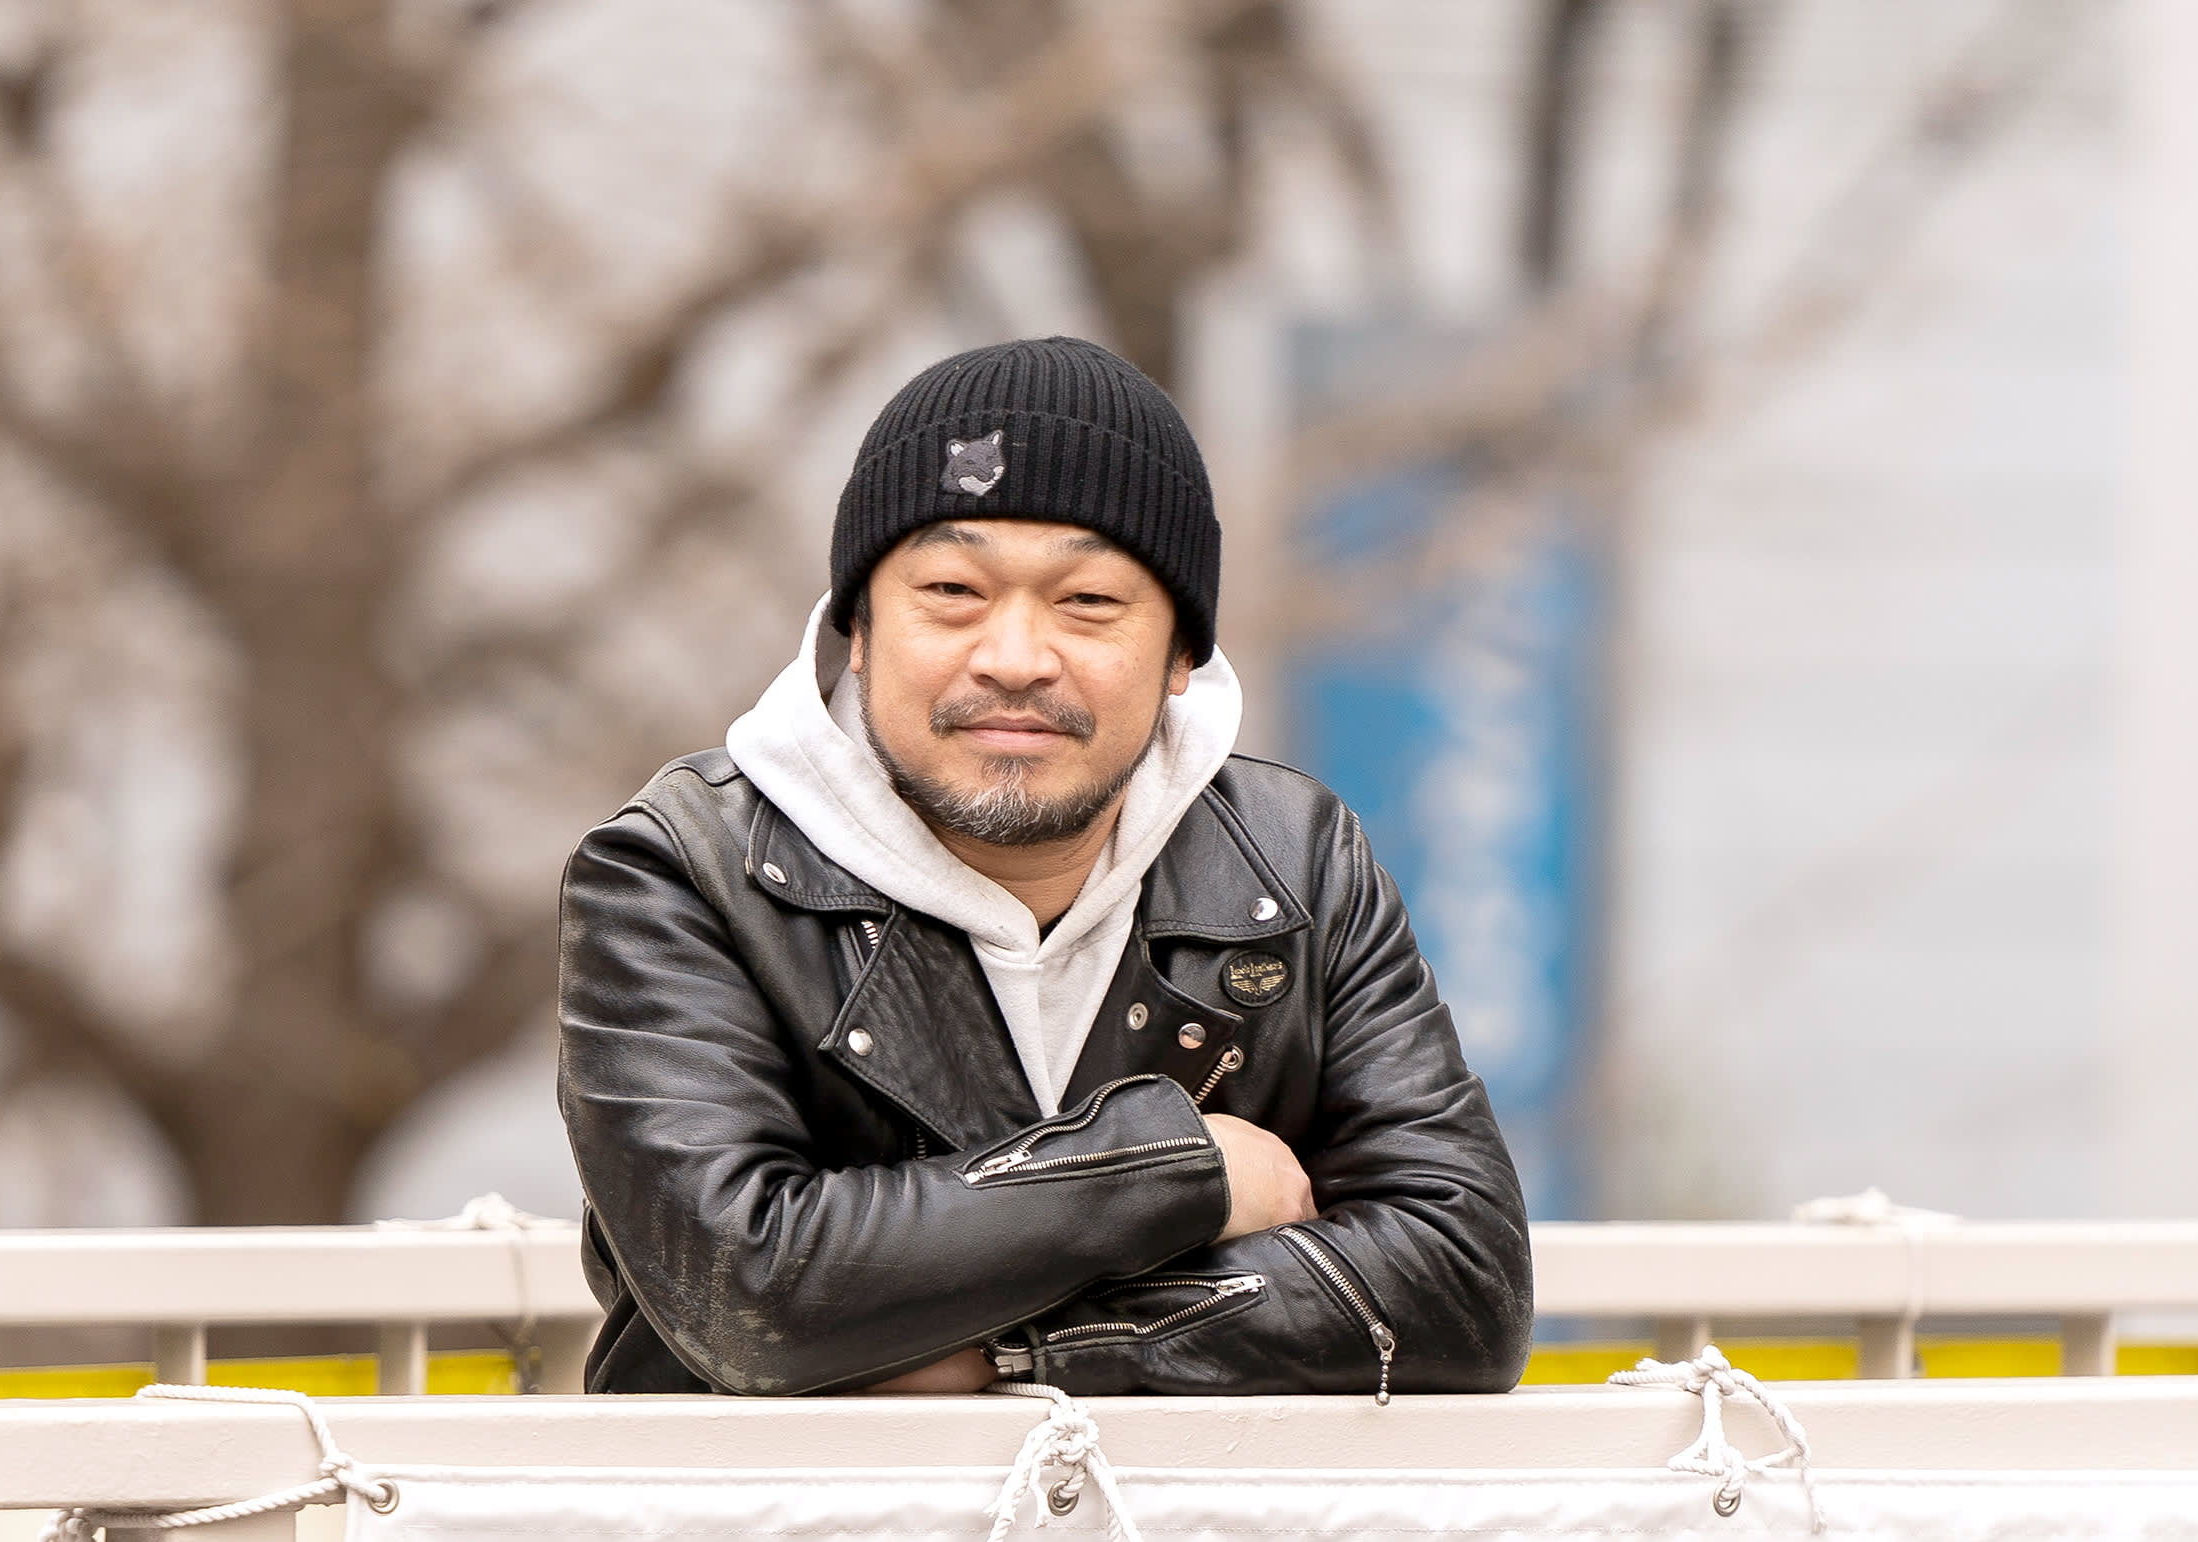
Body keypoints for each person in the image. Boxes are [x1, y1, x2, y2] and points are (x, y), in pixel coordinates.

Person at [558, 336, 1532, 1399]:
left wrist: (1019, 1355)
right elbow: (748, 1295)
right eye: (951, 590)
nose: (1015, 658)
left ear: (1180, 657)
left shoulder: (1295, 865)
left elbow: (1464, 1286)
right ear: (858, 626)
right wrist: (1179, 1166)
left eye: (1089, 603)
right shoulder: (682, 872)